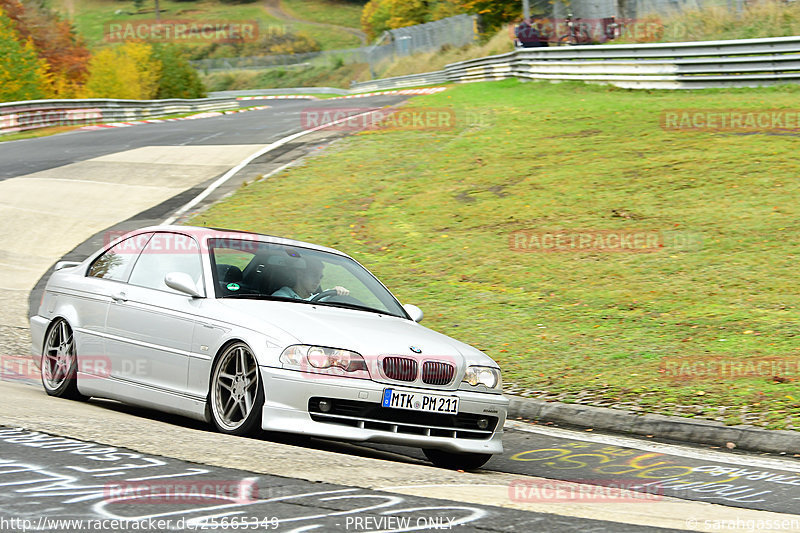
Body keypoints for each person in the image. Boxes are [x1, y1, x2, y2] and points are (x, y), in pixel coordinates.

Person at [272, 256, 349, 300]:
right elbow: (300, 307)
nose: (318, 281)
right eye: (314, 275)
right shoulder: (281, 295)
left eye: (320, 277)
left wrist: (338, 292)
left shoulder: (319, 298)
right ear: (300, 274)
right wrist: (328, 294)